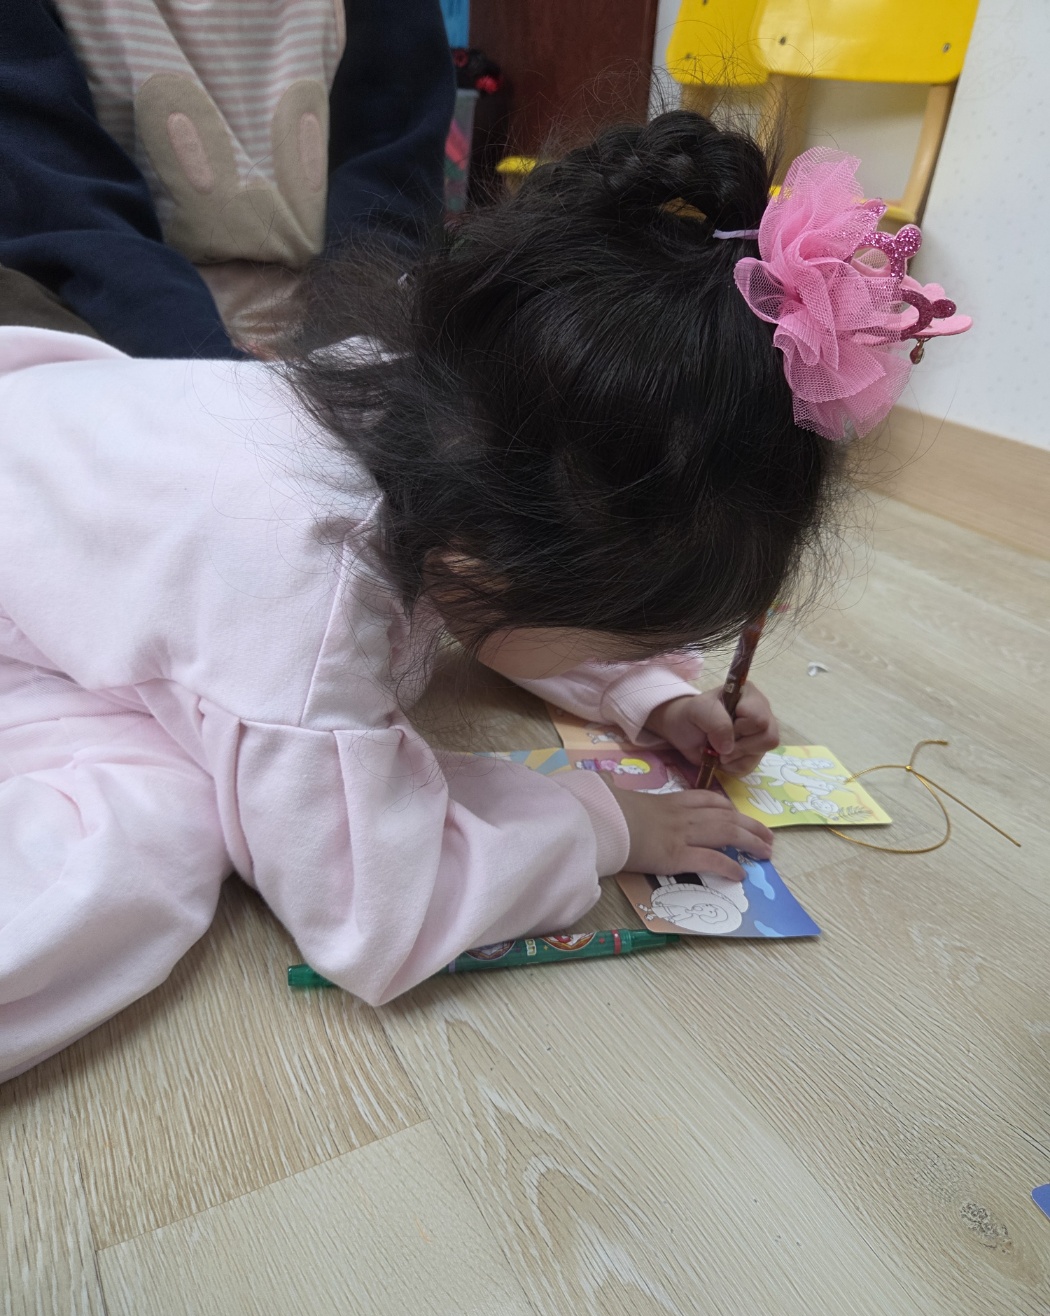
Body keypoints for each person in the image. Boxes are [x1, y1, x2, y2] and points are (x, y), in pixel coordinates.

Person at [0, 112, 969, 1079]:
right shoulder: (305, 607)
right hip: (24, 622)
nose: (637, 652)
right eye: (629, 636)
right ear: (488, 565)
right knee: (144, 843)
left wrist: (647, 695)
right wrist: (607, 826)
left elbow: (526, 585)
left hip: (55, 454)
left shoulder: (434, 411)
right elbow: (372, 911)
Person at [0, 0, 455, 356]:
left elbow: (391, 170)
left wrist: (342, 356)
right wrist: (208, 372)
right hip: (102, 310)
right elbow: (56, 201)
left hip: (339, 303)